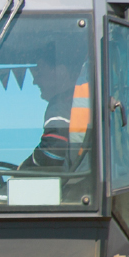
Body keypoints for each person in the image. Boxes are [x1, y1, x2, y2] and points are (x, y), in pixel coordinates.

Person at [25, 43, 91, 172]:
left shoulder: (60, 105)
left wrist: (23, 171)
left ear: (60, 72)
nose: (35, 80)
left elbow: (52, 152)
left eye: (40, 71)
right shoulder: (85, 100)